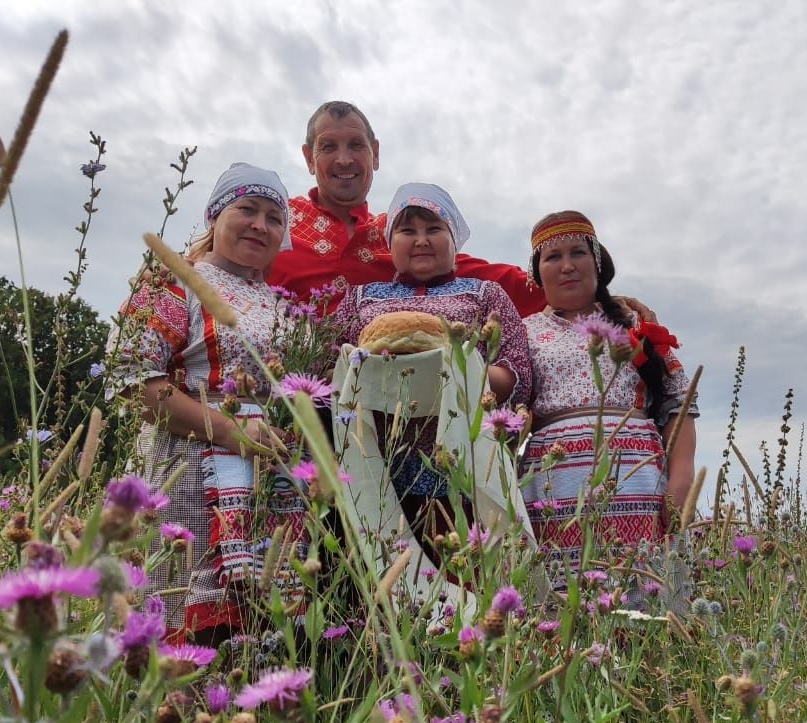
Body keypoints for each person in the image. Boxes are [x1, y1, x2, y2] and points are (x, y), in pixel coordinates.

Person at [105, 163, 309, 641]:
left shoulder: (284, 306)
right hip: (189, 471)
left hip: (269, 481)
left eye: (274, 217)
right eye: (247, 209)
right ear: (214, 217)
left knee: (261, 630)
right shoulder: (172, 280)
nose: (261, 224)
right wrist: (234, 433)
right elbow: (135, 383)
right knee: (184, 623)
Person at [333, 182, 532, 551]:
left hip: (463, 466)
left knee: (460, 577)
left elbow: (516, 373)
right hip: (378, 466)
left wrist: (453, 369)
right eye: (408, 231)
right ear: (390, 243)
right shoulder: (359, 299)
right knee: (383, 583)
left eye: (434, 230)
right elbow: (333, 374)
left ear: (454, 241)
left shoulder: (484, 294)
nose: (421, 240)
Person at [519, 211, 698, 583]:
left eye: (578, 253)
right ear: (537, 273)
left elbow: (677, 407)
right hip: (552, 496)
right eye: (552, 257)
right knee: (564, 615)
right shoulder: (524, 333)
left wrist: (680, 490)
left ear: (597, 262)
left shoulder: (636, 324)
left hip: (639, 489)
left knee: (646, 605)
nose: (567, 266)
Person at [268, 101, 544, 316]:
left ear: (375, 154)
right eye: (328, 147)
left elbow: (493, 280)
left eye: (356, 146)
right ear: (309, 158)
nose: (344, 159)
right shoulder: (273, 224)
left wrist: (571, 276)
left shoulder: (401, 237)